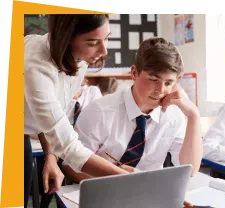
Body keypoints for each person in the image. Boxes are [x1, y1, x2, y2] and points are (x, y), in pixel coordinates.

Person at [61, 37, 203, 207]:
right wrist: (124, 181)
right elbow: (70, 166)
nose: (160, 90)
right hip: (102, 194)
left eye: (169, 83)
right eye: (153, 79)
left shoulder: (174, 115)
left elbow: (190, 169)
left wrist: (193, 115)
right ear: (134, 73)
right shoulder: (99, 111)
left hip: (150, 198)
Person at [24, 14, 130, 208]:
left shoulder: (79, 58)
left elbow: (53, 115)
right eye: (92, 42)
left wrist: (51, 157)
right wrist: (131, 180)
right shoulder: (36, 65)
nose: (103, 50)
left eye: (106, 38)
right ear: (66, 37)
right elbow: (71, 148)